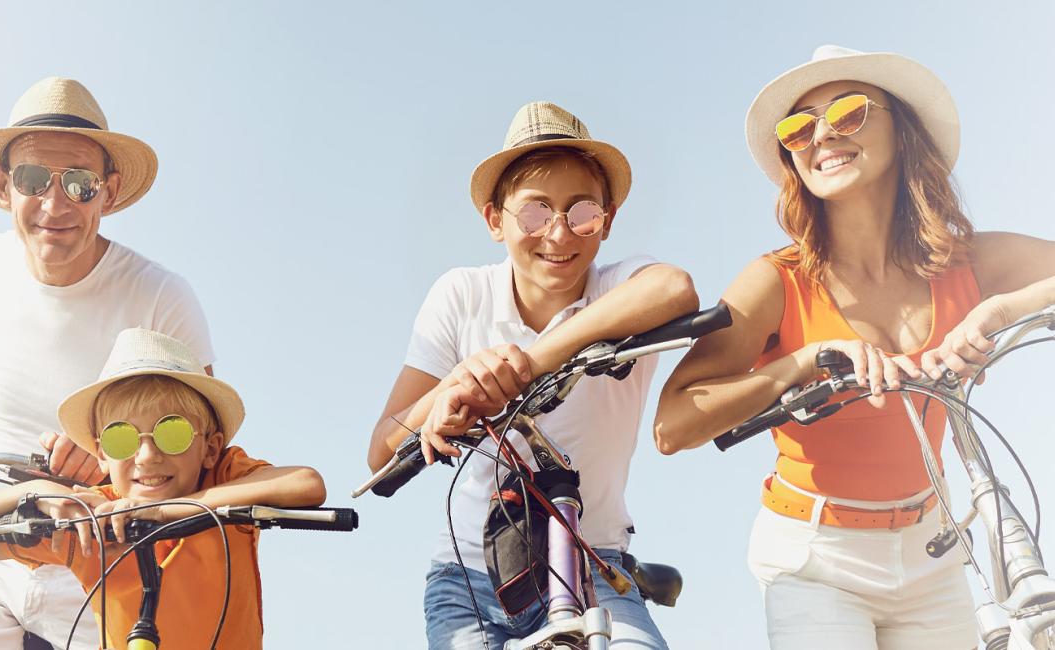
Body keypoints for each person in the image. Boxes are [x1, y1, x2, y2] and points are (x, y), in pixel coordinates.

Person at [654, 45, 1055, 649]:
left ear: (901, 128)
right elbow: (672, 426)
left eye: (848, 113)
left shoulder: (965, 262)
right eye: (798, 128)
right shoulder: (776, 280)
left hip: (932, 548)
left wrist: (1000, 310)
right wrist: (800, 363)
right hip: (816, 557)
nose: (821, 136)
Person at [0, 77, 213, 648]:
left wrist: (111, 455)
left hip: (105, 551)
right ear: (3, 187)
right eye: (33, 179)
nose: (55, 204)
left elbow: (206, 445)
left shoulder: (160, 296)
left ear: (109, 192)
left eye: (80, 184)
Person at [368, 101, 699, 649]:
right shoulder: (462, 294)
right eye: (534, 215)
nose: (559, 234)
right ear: (494, 221)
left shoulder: (618, 287)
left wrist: (531, 362)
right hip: (470, 578)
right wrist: (455, 385)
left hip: (593, 562)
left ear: (608, 219)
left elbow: (675, 289)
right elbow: (381, 449)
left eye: (582, 212)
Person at [0, 328, 326, 650]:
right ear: (101, 456)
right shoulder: (91, 519)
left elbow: (306, 483)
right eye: (122, 439)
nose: (147, 456)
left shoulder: (223, 479)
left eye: (173, 433)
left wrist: (168, 510)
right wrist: (36, 491)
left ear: (210, 449)